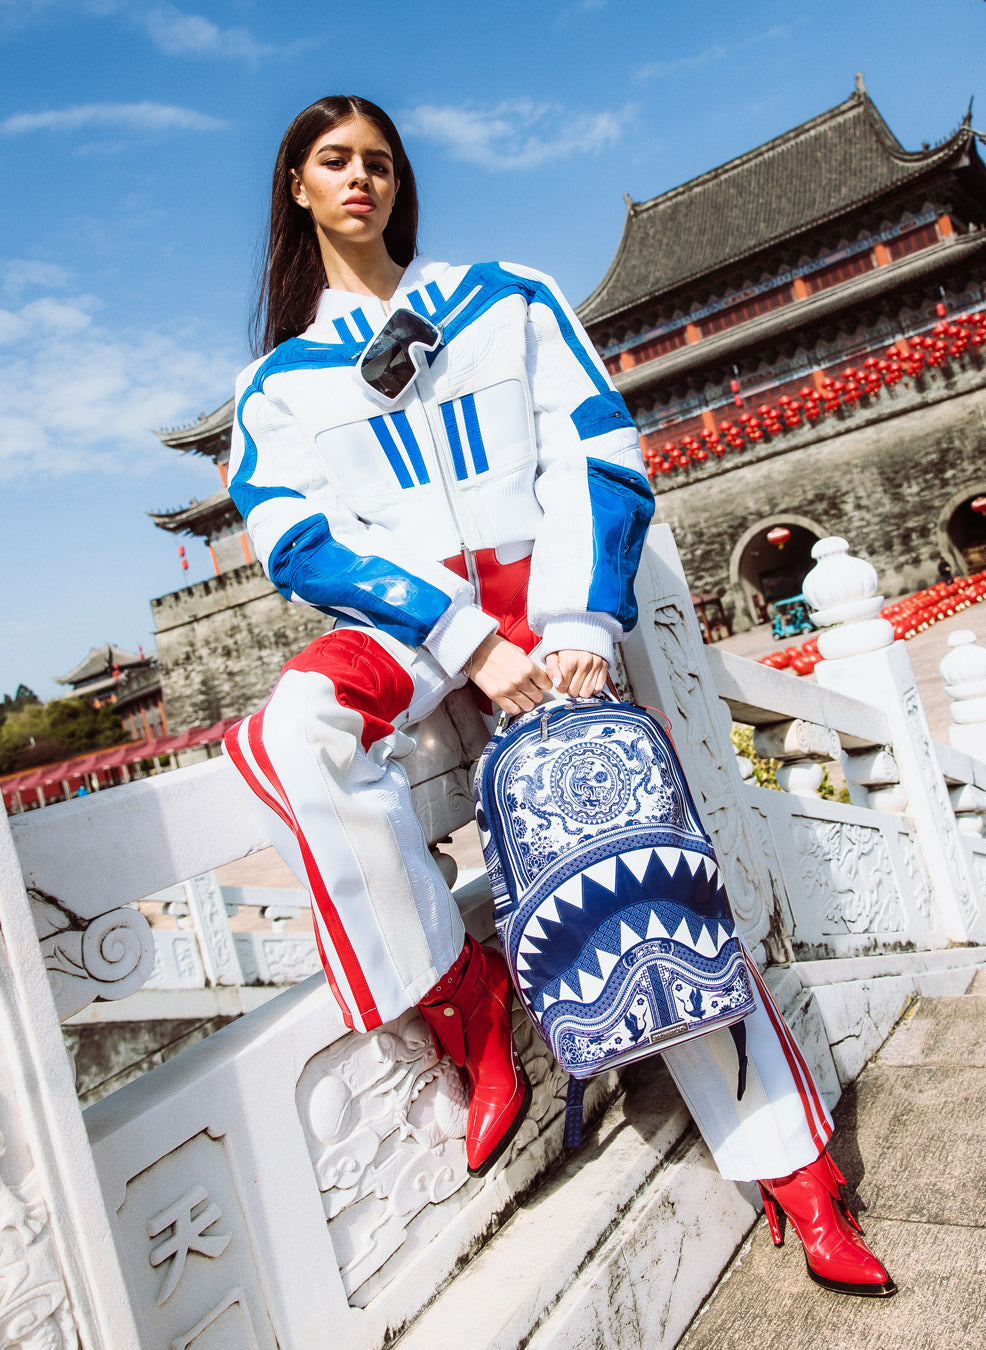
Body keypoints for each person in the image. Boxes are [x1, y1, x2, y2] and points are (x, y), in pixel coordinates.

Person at [222, 95, 894, 1299]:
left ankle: (797, 1176)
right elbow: (294, 539)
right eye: (334, 162)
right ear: (298, 190)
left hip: (555, 615)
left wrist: (580, 621)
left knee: (641, 881)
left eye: (379, 160)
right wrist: (460, 635)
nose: (361, 178)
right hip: (417, 627)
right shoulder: (277, 386)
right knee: (292, 735)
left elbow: (600, 448)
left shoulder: (504, 299)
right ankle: (461, 998)